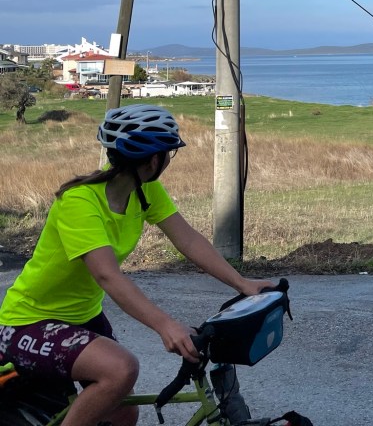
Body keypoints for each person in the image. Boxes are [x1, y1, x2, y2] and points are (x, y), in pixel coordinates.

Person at [0, 104, 273, 426]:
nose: (168, 161)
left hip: (83, 316)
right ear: (153, 160)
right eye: (169, 154)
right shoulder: (79, 201)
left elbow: (187, 240)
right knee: (120, 370)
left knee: (123, 411)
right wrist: (166, 325)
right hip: (29, 321)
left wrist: (243, 284)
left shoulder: (144, 190)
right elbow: (107, 275)